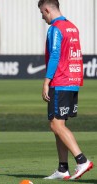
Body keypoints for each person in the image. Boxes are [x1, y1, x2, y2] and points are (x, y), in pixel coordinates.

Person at [38, 0, 93, 180]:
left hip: (60, 80)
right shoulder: (72, 27)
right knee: (59, 125)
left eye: (42, 13)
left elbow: (55, 54)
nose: (43, 17)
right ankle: (63, 169)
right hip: (73, 80)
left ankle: (82, 160)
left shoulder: (56, 28)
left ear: (47, 9)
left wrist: (47, 81)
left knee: (55, 124)